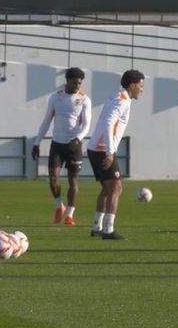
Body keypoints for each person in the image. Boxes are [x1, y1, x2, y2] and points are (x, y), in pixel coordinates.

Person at [29, 67, 92, 226]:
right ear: (67, 81)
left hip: (74, 145)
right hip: (57, 144)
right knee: (53, 178)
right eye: (75, 82)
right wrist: (37, 142)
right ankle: (59, 206)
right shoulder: (55, 98)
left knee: (73, 181)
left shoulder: (84, 99)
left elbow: (86, 124)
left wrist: (78, 138)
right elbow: (46, 120)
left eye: (79, 83)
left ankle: (70, 215)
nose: (77, 86)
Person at [87, 69, 145, 240]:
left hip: (96, 148)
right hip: (102, 149)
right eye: (141, 86)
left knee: (107, 188)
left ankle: (97, 226)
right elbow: (108, 122)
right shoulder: (122, 101)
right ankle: (108, 229)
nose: (142, 89)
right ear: (132, 86)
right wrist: (110, 151)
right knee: (116, 188)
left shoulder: (118, 97)